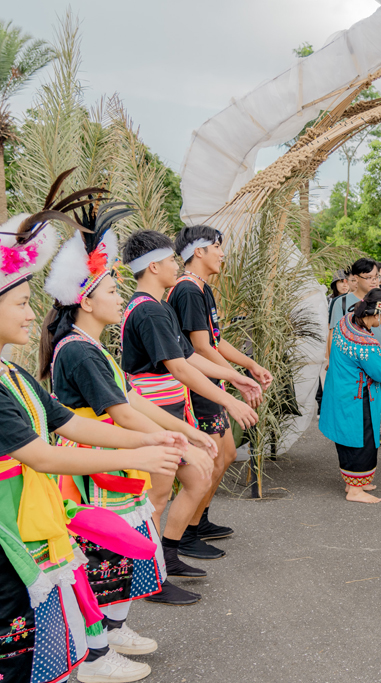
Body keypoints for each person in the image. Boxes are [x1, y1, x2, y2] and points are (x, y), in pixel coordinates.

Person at [0, 187, 184, 683]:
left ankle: (100, 647)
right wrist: (150, 444)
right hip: (29, 518)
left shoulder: (14, 376)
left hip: (34, 516)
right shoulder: (68, 354)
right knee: (27, 636)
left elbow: (67, 421)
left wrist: (158, 442)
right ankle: (100, 652)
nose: (30, 312)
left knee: (59, 609)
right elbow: (45, 454)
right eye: (20, 301)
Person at [38, 203, 219, 680]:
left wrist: (184, 430)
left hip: (112, 461)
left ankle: (111, 630)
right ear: (87, 302)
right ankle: (95, 653)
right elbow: (122, 412)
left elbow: (133, 399)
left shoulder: (92, 347)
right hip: (96, 469)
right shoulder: (78, 350)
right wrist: (163, 438)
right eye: (113, 290)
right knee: (105, 554)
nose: (120, 297)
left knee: (125, 548)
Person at [120, 230, 258, 578]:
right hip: (154, 412)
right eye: (169, 260)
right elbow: (179, 366)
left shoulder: (160, 306)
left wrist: (238, 377)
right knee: (157, 496)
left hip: (171, 410)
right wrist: (230, 396)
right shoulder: (148, 311)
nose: (174, 265)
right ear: (153, 267)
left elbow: (188, 357)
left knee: (195, 481)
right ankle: (148, 573)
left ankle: (166, 556)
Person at [167, 225, 272, 560]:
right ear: (198, 252)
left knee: (224, 455)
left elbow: (215, 340)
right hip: (198, 388)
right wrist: (234, 378)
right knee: (215, 457)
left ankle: (199, 521)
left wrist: (249, 366)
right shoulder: (186, 290)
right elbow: (198, 347)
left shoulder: (201, 289)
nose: (222, 252)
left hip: (211, 383)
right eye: (216, 246)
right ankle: (185, 533)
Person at [320, 289, 381, 503]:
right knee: (361, 441)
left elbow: (358, 356)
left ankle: (353, 482)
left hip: (341, 393)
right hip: (358, 398)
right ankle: (355, 491)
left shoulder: (346, 322)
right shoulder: (365, 341)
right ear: (374, 314)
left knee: (347, 440)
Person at [342, 258, 381, 468]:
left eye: (376, 277)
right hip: (359, 378)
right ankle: (357, 481)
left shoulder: (352, 324)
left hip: (376, 364)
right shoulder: (365, 339)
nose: (374, 281)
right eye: (369, 277)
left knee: (376, 419)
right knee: (364, 426)